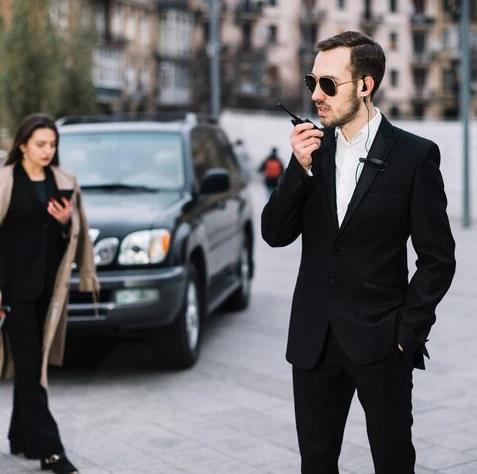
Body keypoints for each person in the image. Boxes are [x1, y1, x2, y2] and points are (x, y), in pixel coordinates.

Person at [261, 31, 456, 474]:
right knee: (316, 464)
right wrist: (298, 169)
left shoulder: (414, 156)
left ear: (365, 86)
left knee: (392, 462)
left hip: (382, 342)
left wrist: (406, 331)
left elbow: (438, 258)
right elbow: (274, 234)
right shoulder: (311, 149)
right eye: (313, 81)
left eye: (328, 84)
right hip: (313, 341)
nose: (315, 95)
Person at [0, 113, 99, 474]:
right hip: (13, 290)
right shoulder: (5, 181)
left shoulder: (62, 181)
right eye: (40, 144)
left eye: (53, 145)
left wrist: (64, 223)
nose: (48, 151)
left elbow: (70, 237)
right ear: (23, 144)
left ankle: (19, 437)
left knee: (32, 364)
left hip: (49, 290)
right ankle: (50, 451)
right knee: (31, 368)